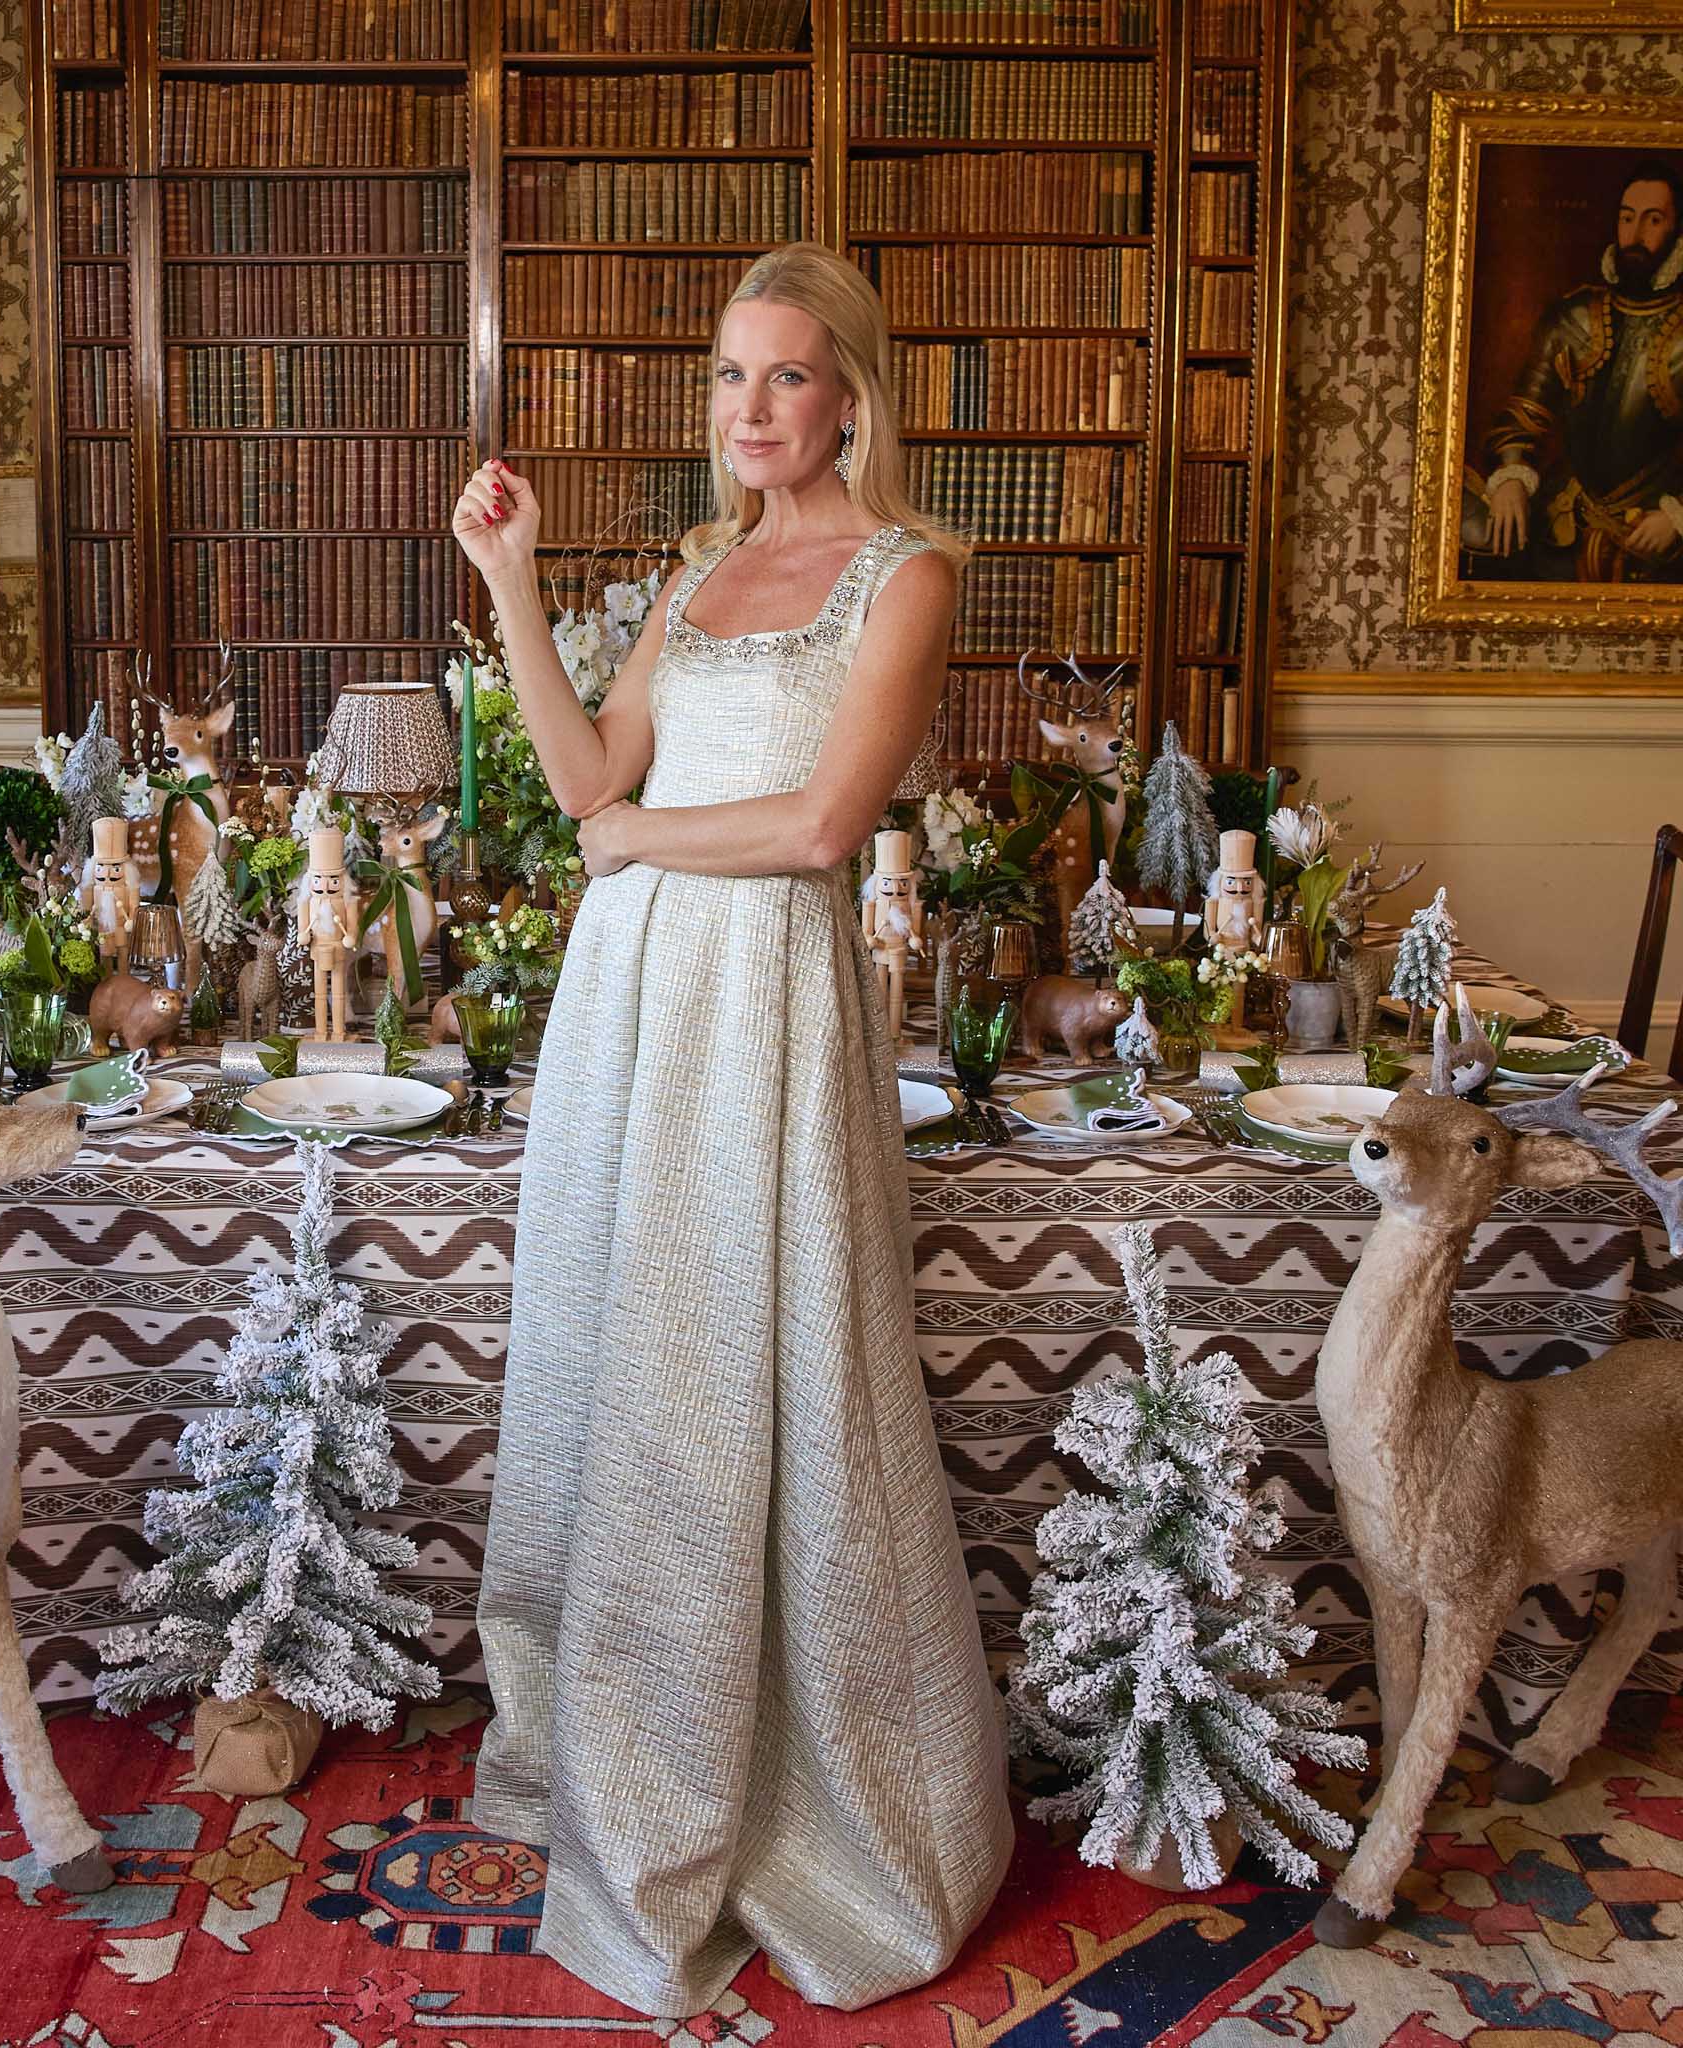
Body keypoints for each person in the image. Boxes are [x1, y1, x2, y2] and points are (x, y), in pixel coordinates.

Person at [450, 241, 1012, 2018]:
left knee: (757, 1368)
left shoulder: (906, 573)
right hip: (627, 1002)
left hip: (764, 1002)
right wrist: (512, 583)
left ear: (849, 390)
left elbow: (822, 826)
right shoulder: (692, 573)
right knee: (628, 1360)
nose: (747, 410)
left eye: (782, 376)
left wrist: (626, 847)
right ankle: (615, 1749)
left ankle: (793, 1794)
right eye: (725, 378)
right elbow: (583, 781)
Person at [1469, 159, 1683, 582]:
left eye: (1653, 220)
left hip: (1654, 544)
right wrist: (1510, 478)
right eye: (1627, 218)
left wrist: (1675, 517)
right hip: (1564, 526)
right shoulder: (1573, 316)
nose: (1635, 234)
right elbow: (1522, 415)